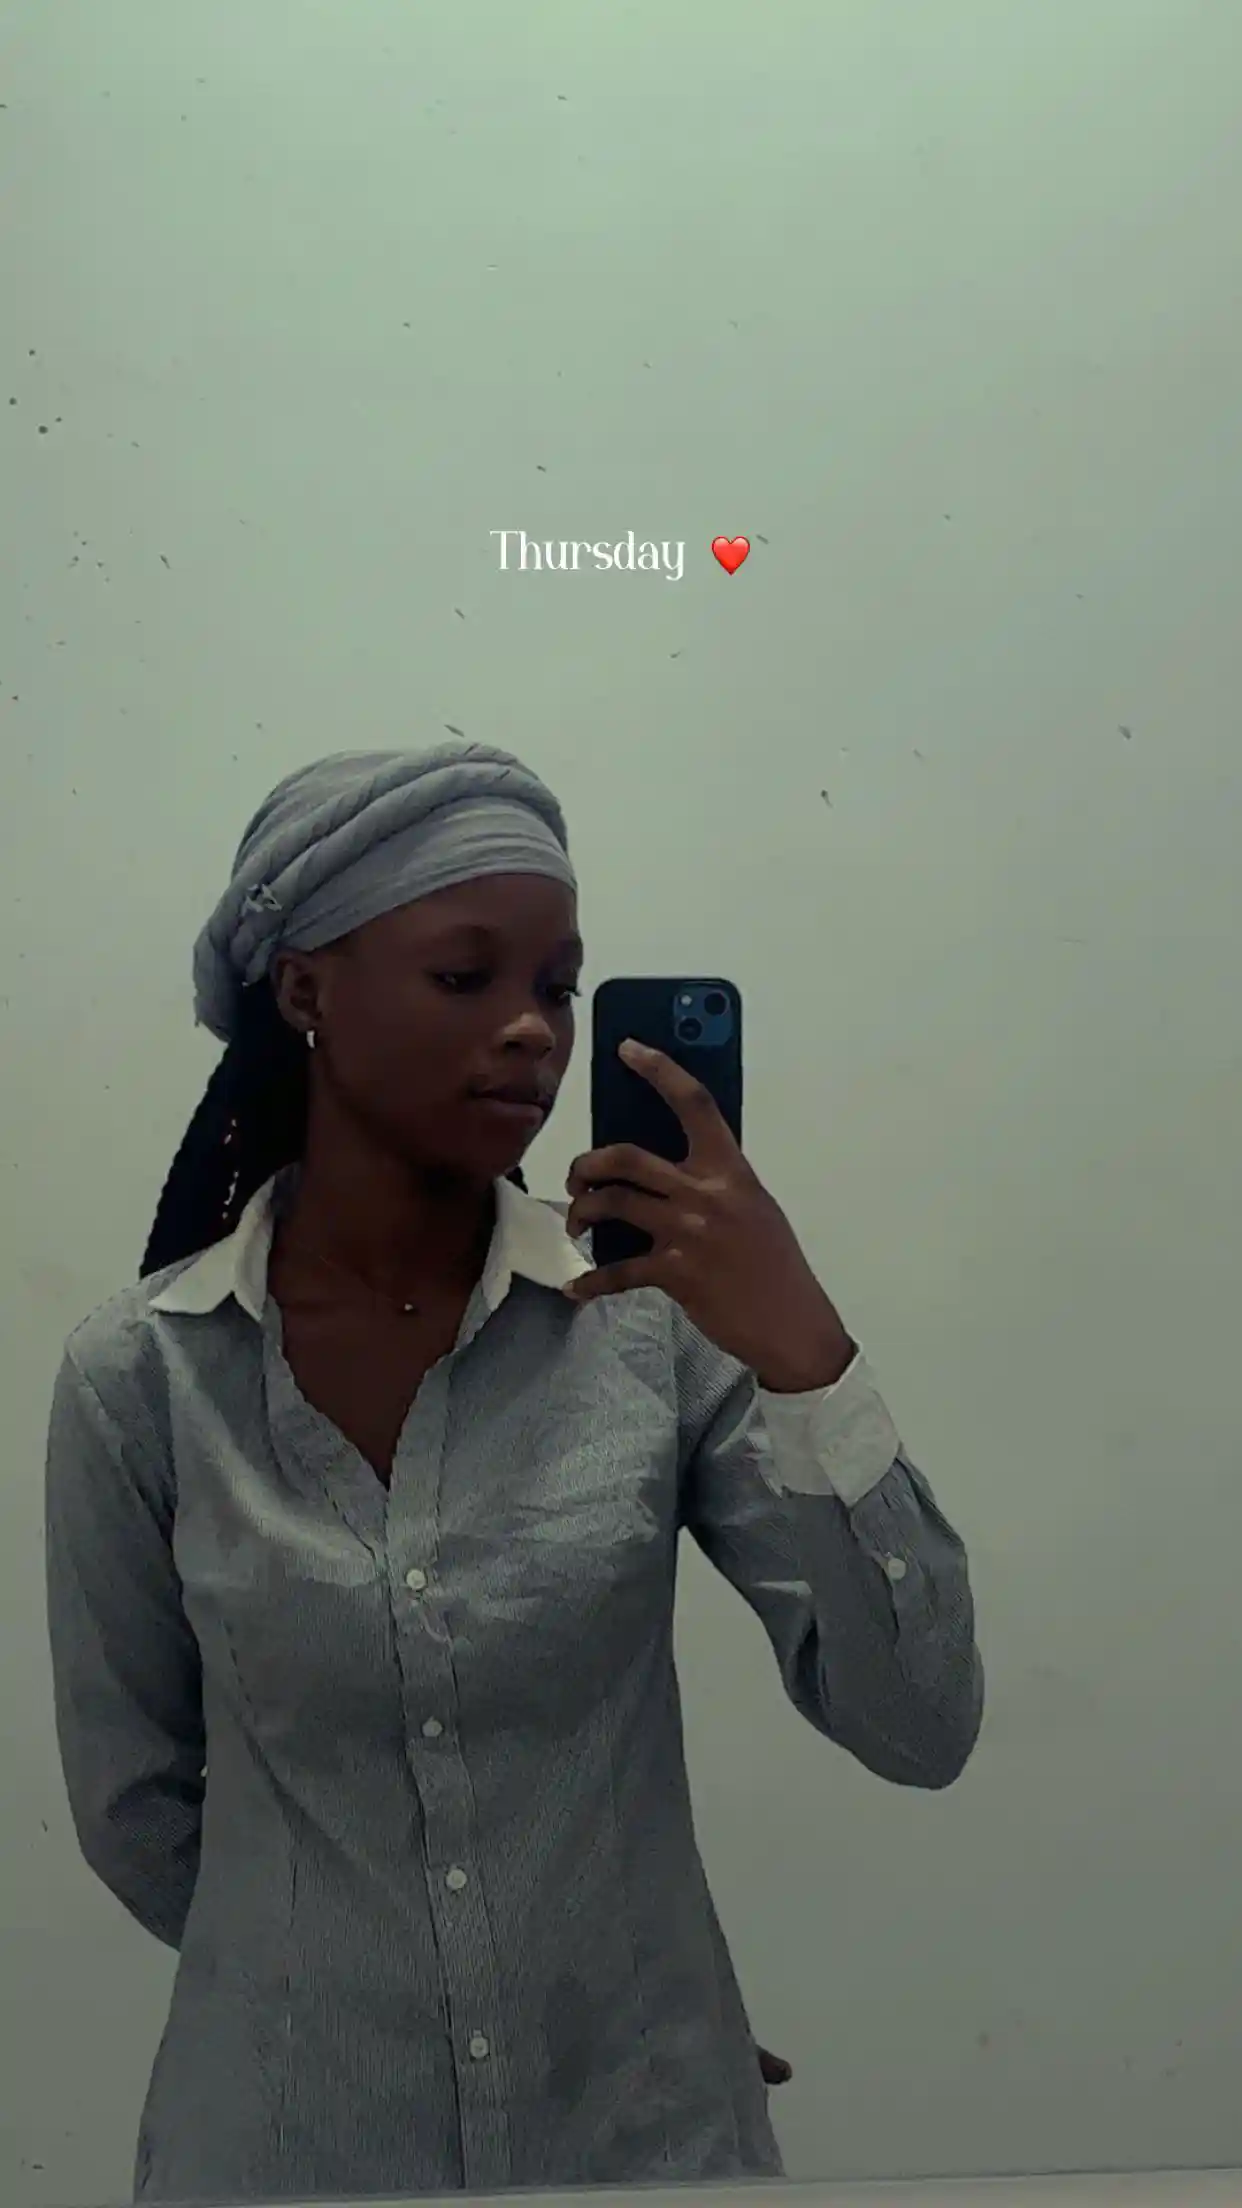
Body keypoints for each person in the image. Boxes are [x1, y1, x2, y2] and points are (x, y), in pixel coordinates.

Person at [45, 742, 982, 2204]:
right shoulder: (145, 1378)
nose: (534, 1032)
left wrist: (806, 1349)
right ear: (304, 991)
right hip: (291, 2157)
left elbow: (918, 1722)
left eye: (557, 986)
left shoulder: (651, 1333)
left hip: (638, 2148)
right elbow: (138, 1809)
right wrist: (431, 2015)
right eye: (464, 976)